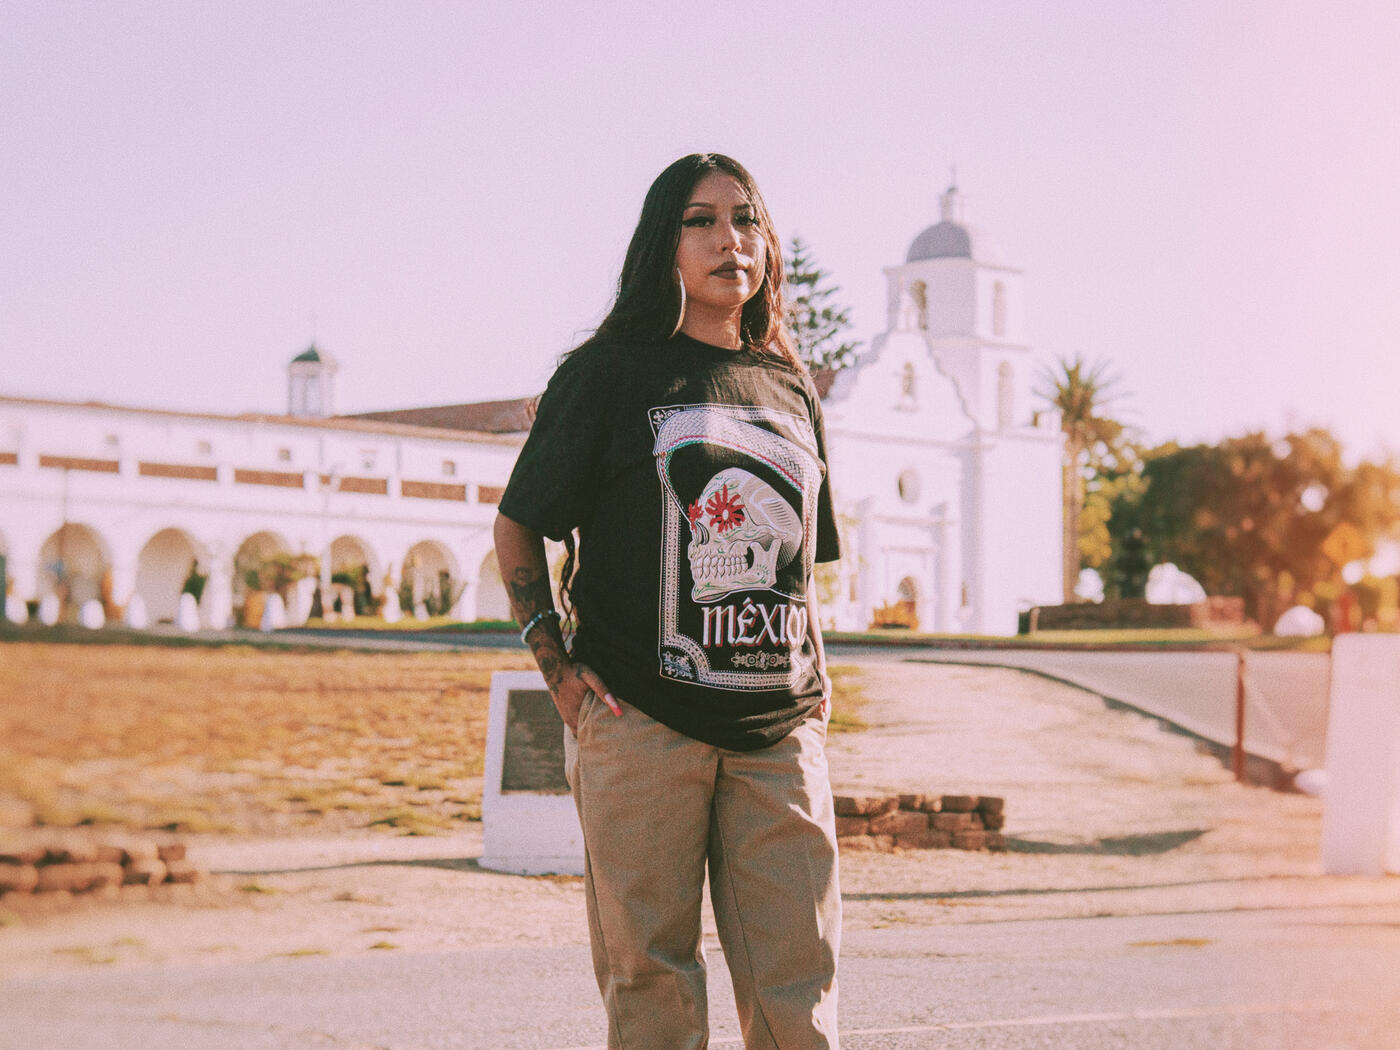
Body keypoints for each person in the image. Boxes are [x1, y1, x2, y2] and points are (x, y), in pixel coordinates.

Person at [493, 152, 841, 1050]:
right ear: (665, 244)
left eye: (747, 218)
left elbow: (803, 564)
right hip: (643, 724)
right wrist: (557, 670)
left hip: (778, 737)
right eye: (703, 219)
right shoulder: (609, 374)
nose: (732, 239)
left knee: (798, 992)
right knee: (652, 985)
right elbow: (520, 525)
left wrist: (817, 697)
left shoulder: (792, 390)